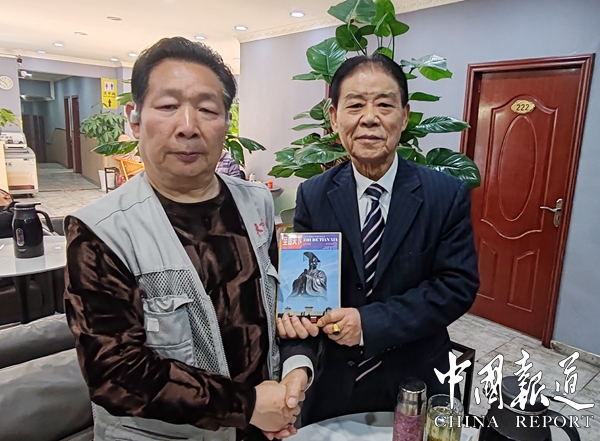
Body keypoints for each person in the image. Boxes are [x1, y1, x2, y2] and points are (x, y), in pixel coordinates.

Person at [64, 37, 309, 441]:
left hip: (263, 429)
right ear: (135, 119)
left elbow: (281, 305)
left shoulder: (257, 203)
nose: (188, 127)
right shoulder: (100, 231)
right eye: (167, 106)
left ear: (226, 123)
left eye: (207, 110)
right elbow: (114, 372)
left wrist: (295, 370)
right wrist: (246, 405)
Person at [277, 54, 479, 425]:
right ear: (334, 118)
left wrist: (369, 324)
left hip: (416, 382)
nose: (369, 118)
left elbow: (456, 286)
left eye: (384, 105)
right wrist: (297, 363)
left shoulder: (445, 194)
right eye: (355, 105)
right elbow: (305, 301)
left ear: (404, 116)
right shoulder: (313, 195)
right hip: (332, 387)